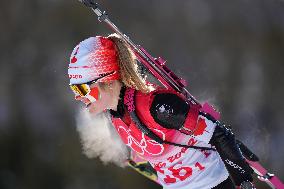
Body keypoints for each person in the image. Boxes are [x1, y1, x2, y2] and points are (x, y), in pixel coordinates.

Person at [67, 33, 255, 189]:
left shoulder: (159, 107)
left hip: (212, 184)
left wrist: (243, 183)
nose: (78, 96)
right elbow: (149, 138)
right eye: (74, 89)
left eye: (81, 88)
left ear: (107, 81)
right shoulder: (116, 113)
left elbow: (219, 135)